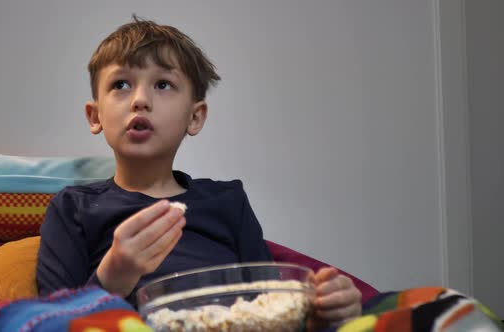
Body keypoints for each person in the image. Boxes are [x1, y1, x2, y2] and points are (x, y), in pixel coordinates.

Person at [36, 16, 362, 327]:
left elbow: (270, 304)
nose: (139, 100)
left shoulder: (227, 200)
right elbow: (48, 322)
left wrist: (321, 310)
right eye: (121, 84)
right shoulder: (72, 208)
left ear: (195, 117)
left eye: (163, 84)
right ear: (95, 116)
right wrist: (113, 277)